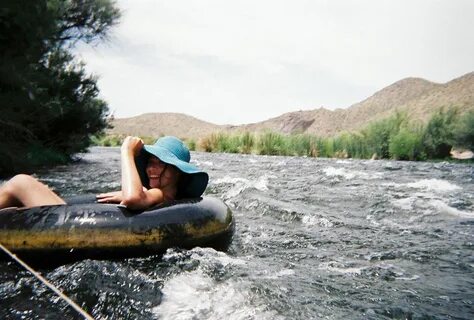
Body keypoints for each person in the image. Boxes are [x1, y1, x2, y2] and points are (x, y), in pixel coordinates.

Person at [0, 136, 208, 211]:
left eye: (161, 164)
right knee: (31, 188)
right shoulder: (158, 194)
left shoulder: (163, 195)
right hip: (65, 218)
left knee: (21, 182)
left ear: (178, 173)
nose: (152, 169)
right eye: (150, 163)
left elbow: (134, 198)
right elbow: (136, 194)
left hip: (66, 225)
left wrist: (126, 151)